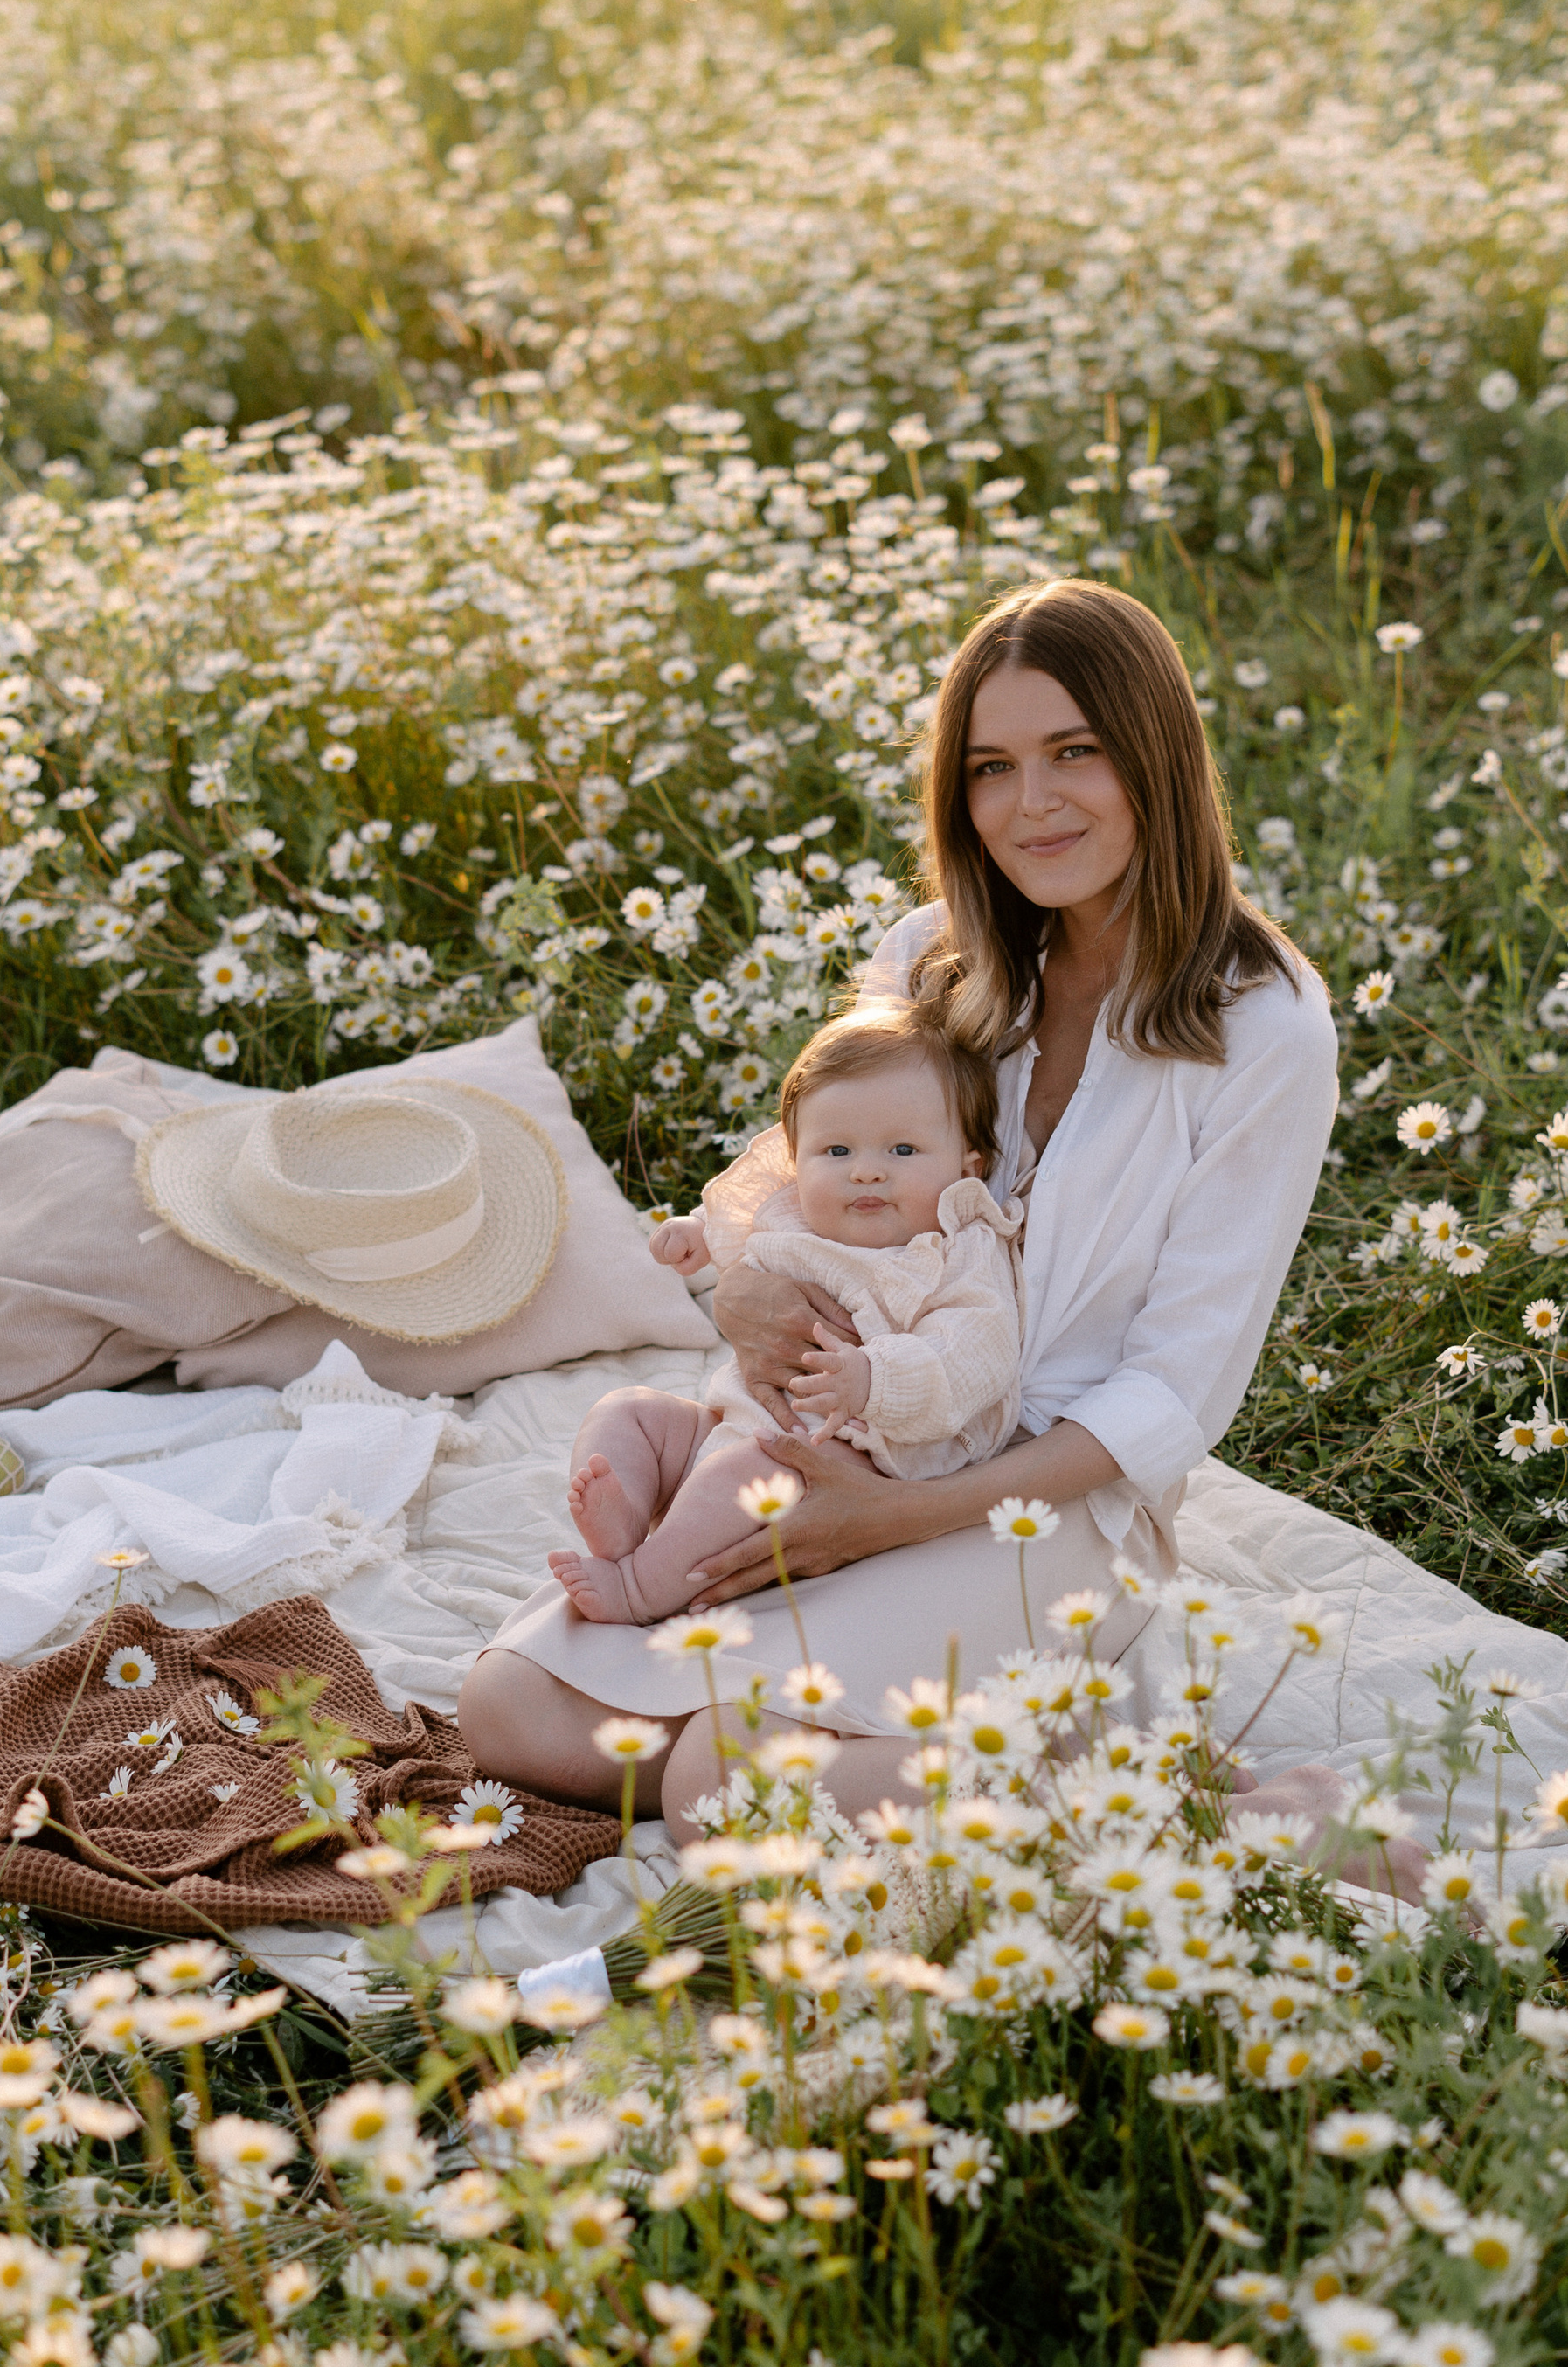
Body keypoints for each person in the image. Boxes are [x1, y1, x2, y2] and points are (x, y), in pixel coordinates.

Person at [456, 576, 1339, 1848]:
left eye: (1075, 753)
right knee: (513, 1714)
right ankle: (987, 1738)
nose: (1031, 804)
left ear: (1156, 756)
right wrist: (747, 1281)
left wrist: (880, 1523)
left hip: (1041, 1507)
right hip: (842, 1440)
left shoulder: (1261, 1027)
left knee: (726, 1782)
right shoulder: (936, 954)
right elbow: (809, 1162)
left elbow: (1174, 1393)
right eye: (991, 767)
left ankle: (1169, 1795)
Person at [547, 1004, 1022, 1627]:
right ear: (798, 1161)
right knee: (631, 1413)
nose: (866, 1169)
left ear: (968, 1165)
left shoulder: (958, 1252)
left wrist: (876, 1380)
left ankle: (639, 1587)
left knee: (753, 1470)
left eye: (903, 1148)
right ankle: (628, 1514)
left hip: (840, 1459)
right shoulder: (794, 1210)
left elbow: (974, 1354)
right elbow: (746, 1235)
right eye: (837, 1149)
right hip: (726, 1424)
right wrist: (702, 1237)